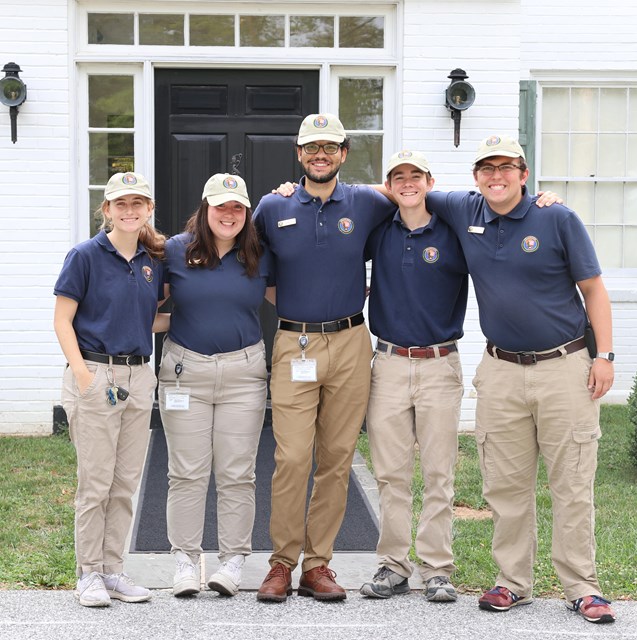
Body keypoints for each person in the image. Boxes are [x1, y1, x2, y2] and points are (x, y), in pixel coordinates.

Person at [426, 134, 616, 624]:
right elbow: (401, 191)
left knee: (571, 482)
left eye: (506, 167)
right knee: (505, 487)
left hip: (565, 368)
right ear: (475, 178)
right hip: (501, 371)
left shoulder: (557, 217)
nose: (496, 176)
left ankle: (581, 586)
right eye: (486, 168)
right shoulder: (464, 210)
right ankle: (513, 582)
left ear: (524, 173)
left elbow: (593, 290)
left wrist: (606, 356)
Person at [252, 113, 398, 601]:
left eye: (329, 147)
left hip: (352, 342)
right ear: (298, 154)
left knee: (336, 459)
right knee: (292, 456)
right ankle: (281, 563)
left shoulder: (365, 202)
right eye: (311, 148)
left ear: (343, 154)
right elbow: (250, 264)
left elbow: (415, 194)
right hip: (295, 343)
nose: (320, 155)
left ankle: (318, 565)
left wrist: (541, 199)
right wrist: (301, 310)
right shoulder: (272, 207)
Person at [158, 173, 274, 598]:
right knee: (186, 472)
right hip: (185, 371)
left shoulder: (259, 255)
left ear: (247, 214)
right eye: (221, 206)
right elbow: (144, 308)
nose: (229, 214)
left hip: (244, 375)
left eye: (237, 208)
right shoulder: (174, 250)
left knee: (237, 472)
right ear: (205, 208)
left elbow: (293, 301)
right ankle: (186, 561)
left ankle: (233, 561)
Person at [359, 151, 467, 602]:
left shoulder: (455, 230)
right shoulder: (379, 230)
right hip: (388, 363)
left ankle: (437, 568)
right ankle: (393, 565)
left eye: (415, 176)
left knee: (439, 472)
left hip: (440, 363)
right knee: (391, 472)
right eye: (397, 177)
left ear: (430, 181)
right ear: (389, 185)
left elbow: (504, 211)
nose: (407, 183)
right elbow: (344, 201)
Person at [53, 172, 165, 607]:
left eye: (138, 203)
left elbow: (144, 319)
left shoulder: (152, 261)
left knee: (124, 483)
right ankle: (89, 574)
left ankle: (114, 570)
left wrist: (193, 321)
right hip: (96, 374)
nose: (130, 210)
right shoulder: (85, 256)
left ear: (149, 210)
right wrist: (84, 378)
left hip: (139, 377)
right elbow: (63, 320)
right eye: (121, 203)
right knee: (95, 483)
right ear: (107, 210)